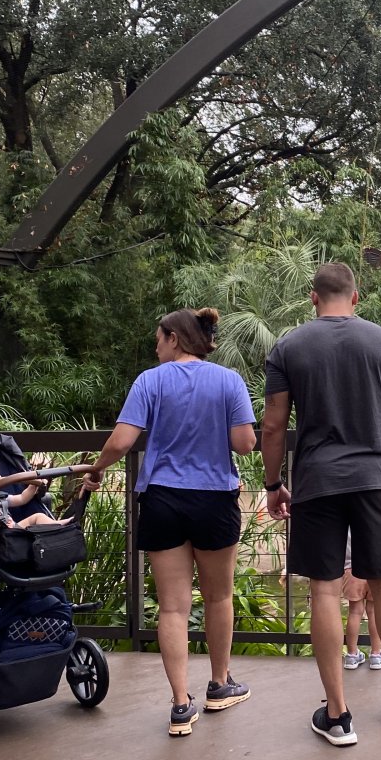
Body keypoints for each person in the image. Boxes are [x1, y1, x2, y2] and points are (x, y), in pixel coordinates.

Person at [262, 262, 381, 747]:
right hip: (375, 480)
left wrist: (272, 484)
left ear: (314, 297)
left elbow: (272, 426)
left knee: (325, 592)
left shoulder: (288, 346)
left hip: (316, 481)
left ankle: (338, 715)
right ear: (356, 298)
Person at [82, 307, 258, 737]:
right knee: (219, 597)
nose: (155, 346)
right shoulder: (228, 381)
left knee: (173, 607)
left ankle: (181, 706)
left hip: (162, 499)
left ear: (175, 339)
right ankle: (220, 684)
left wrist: (98, 469)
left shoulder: (149, 381)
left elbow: (122, 440)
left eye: (158, 339)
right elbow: (245, 444)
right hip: (214, 499)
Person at [0, 454, 67, 528]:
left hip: (13, 530)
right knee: (37, 519)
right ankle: (58, 527)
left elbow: (21, 499)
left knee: (38, 516)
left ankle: (58, 526)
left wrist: (32, 486)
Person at [341, 533, 381, 671]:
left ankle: (352, 655)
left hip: (351, 570)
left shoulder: (345, 521)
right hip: (374, 567)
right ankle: (376, 655)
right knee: (373, 612)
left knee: (354, 612)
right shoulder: (373, 517)